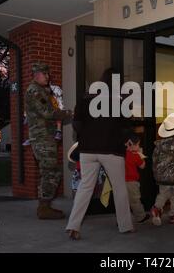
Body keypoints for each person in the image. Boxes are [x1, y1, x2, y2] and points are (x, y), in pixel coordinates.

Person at [65, 68, 134, 240]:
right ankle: (125, 226)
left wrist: (86, 136)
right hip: (111, 150)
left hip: (88, 149)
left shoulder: (85, 97)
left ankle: (73, 226)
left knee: (85, 187)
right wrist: (125, 138)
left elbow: (77, 124)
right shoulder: (121, 100)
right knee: (119, 189)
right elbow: (126, 127)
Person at [24, 62, 73, 220]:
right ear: (36, 74)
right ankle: (44, 207)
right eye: (44, 74)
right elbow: (47, 112)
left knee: (49, 171)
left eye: (47, 73)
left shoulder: (43, 90)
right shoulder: (34, 91)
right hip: (42, 137)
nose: (47, 76)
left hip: (45, 136)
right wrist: (69, 113)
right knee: (50, 171)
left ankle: (44, 205)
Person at [125, 133, 150, 224]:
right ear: (132, 144)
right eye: (138, 144)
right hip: (131, 182)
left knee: (122, 201)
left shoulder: (122, 154)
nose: (139, 146)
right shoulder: (135, 155)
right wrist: (140, 154)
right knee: (135, 200)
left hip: (120, 181)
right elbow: (142, 166)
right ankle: (140, 216)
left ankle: (121, 219)